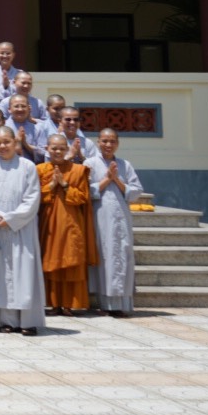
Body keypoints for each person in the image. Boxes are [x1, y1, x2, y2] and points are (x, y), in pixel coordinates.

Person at [0, 129, 45, 335]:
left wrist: (11, 219)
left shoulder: (27, 166)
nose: (2, 146)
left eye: (6, 142)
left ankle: (28, 321)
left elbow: (32, 198)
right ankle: (6, 321)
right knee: (3, 275)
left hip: (22, 228)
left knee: (24, 272)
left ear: (15, 141)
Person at [37, 133, 97, 315]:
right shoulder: (39, 169)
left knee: (71, 261)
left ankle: (69, 304)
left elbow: (82, 198)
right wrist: (51, 186)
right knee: (51, 261)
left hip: (71, 223)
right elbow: (35, 197)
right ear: (47, 149)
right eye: (54, 148)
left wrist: (64, 185)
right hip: (49, 224)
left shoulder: (78, 170)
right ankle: (54, 304)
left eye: (61, 148)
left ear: (67, 150)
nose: (57, 151)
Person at [85, 128, 141, 317]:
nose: (108, 145)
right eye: (104, 141)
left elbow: (136, 191)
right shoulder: (90, 164)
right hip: (100, 216)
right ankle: (106, 303)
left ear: (118, 143)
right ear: (98, 142)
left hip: (121, 217)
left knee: (123, 254)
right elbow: (86, 191)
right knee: (105, 256)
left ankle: (123, 303)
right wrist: (106, 179)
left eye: (112, 141)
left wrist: (116, 179)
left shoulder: (125, 165)